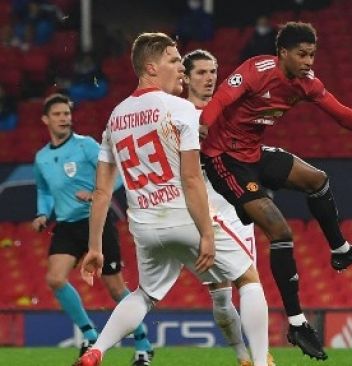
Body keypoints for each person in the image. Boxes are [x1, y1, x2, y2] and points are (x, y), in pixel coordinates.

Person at [199, 21, 352, 360]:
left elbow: (343, 114)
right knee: (281, 232)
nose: (309, 61)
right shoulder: (257, 69)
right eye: (302, 54)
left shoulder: (307, 84)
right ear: (283, 53)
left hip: (254, 154)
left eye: (312, 54)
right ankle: (297, 323)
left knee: (317, 180)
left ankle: (340, 249)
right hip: (224, 159)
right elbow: (222, 98)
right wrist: (203, 127)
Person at [74, 32, 269, 366]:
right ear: (151, 67)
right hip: (185, 217)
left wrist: (95, 247)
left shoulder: (115, 117)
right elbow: (192, 178)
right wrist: (206, 232)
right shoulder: (181, 110)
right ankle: (261, 362)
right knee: (249, 280)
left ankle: (96, 351)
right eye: (174, 60)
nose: (181, 67)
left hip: (145, 227)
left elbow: (103, 192)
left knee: (144, 295)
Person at [32, 93, 154, 366]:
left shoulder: (86, 146)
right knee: (55, 278)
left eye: (67, 113)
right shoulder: (41, 158)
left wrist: (98, 192)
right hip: (66, 225)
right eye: (58, 114)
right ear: (45, 120)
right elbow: (44, 190)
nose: (64, 118)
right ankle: (89, 334)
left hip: (95, 222)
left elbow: (119, 173)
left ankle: (144, 343)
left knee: (114, 288)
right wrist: (42, 212)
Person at [182, 48, 275, 366]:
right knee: (220, 295)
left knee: (249, 281)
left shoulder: (232, 111)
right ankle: (241, 355)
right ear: (186, 78)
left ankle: (260, 356)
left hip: (235, 208)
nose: (209, 78)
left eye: (212, 72)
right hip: (202, 212)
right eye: (201, 73)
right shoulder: (180, 116)